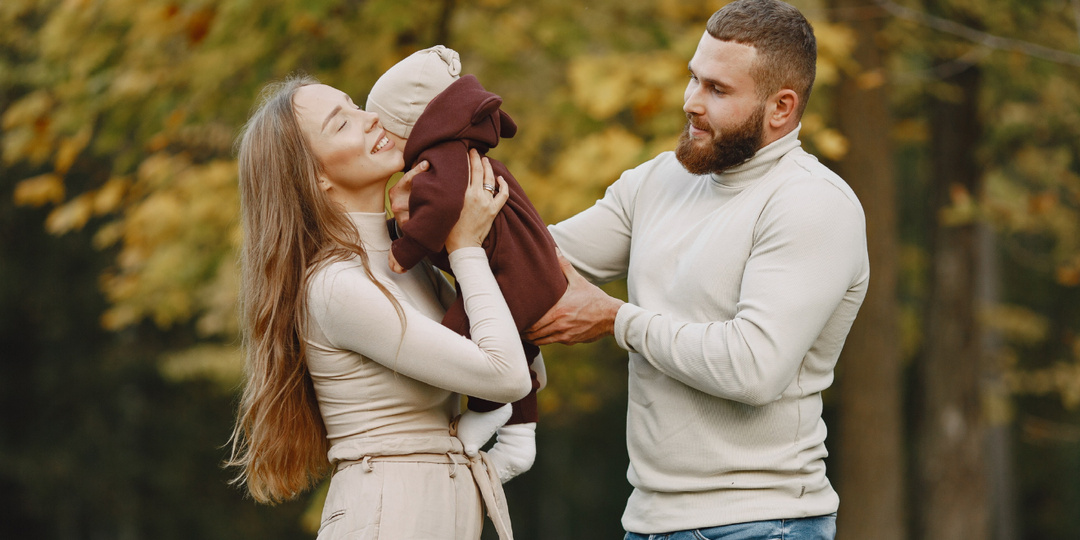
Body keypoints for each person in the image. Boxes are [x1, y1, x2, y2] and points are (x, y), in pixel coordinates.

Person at [487, 0, 867, 538]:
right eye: (694, 78)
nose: (691, 102)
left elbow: (754, 367)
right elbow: (536, 258)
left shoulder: (811, 204)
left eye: (718, 90)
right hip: (648, 520)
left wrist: (617, 319)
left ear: (781, 108)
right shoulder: (659, 180)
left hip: (763, 523)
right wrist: (443, 208)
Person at [228, 73, 538, 540]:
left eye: (355, 105)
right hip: (386, 516)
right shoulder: (334, 286)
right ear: (314, 177)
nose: (371, 118)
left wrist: (434, 239)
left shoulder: (403, 259)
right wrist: (466, 247)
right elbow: (505, 374)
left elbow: (513, 332)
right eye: (342, 124)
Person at [365, 46, 567, 473]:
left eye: (387, 129)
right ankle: (519, 423)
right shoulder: (453, 151)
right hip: (522, 267)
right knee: (484, 324)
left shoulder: (443, 159)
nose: (379, 140)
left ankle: (490, 404)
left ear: (414, 125)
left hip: (518, 272)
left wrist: (404, 250)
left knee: (460, 340)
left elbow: (439, 213)